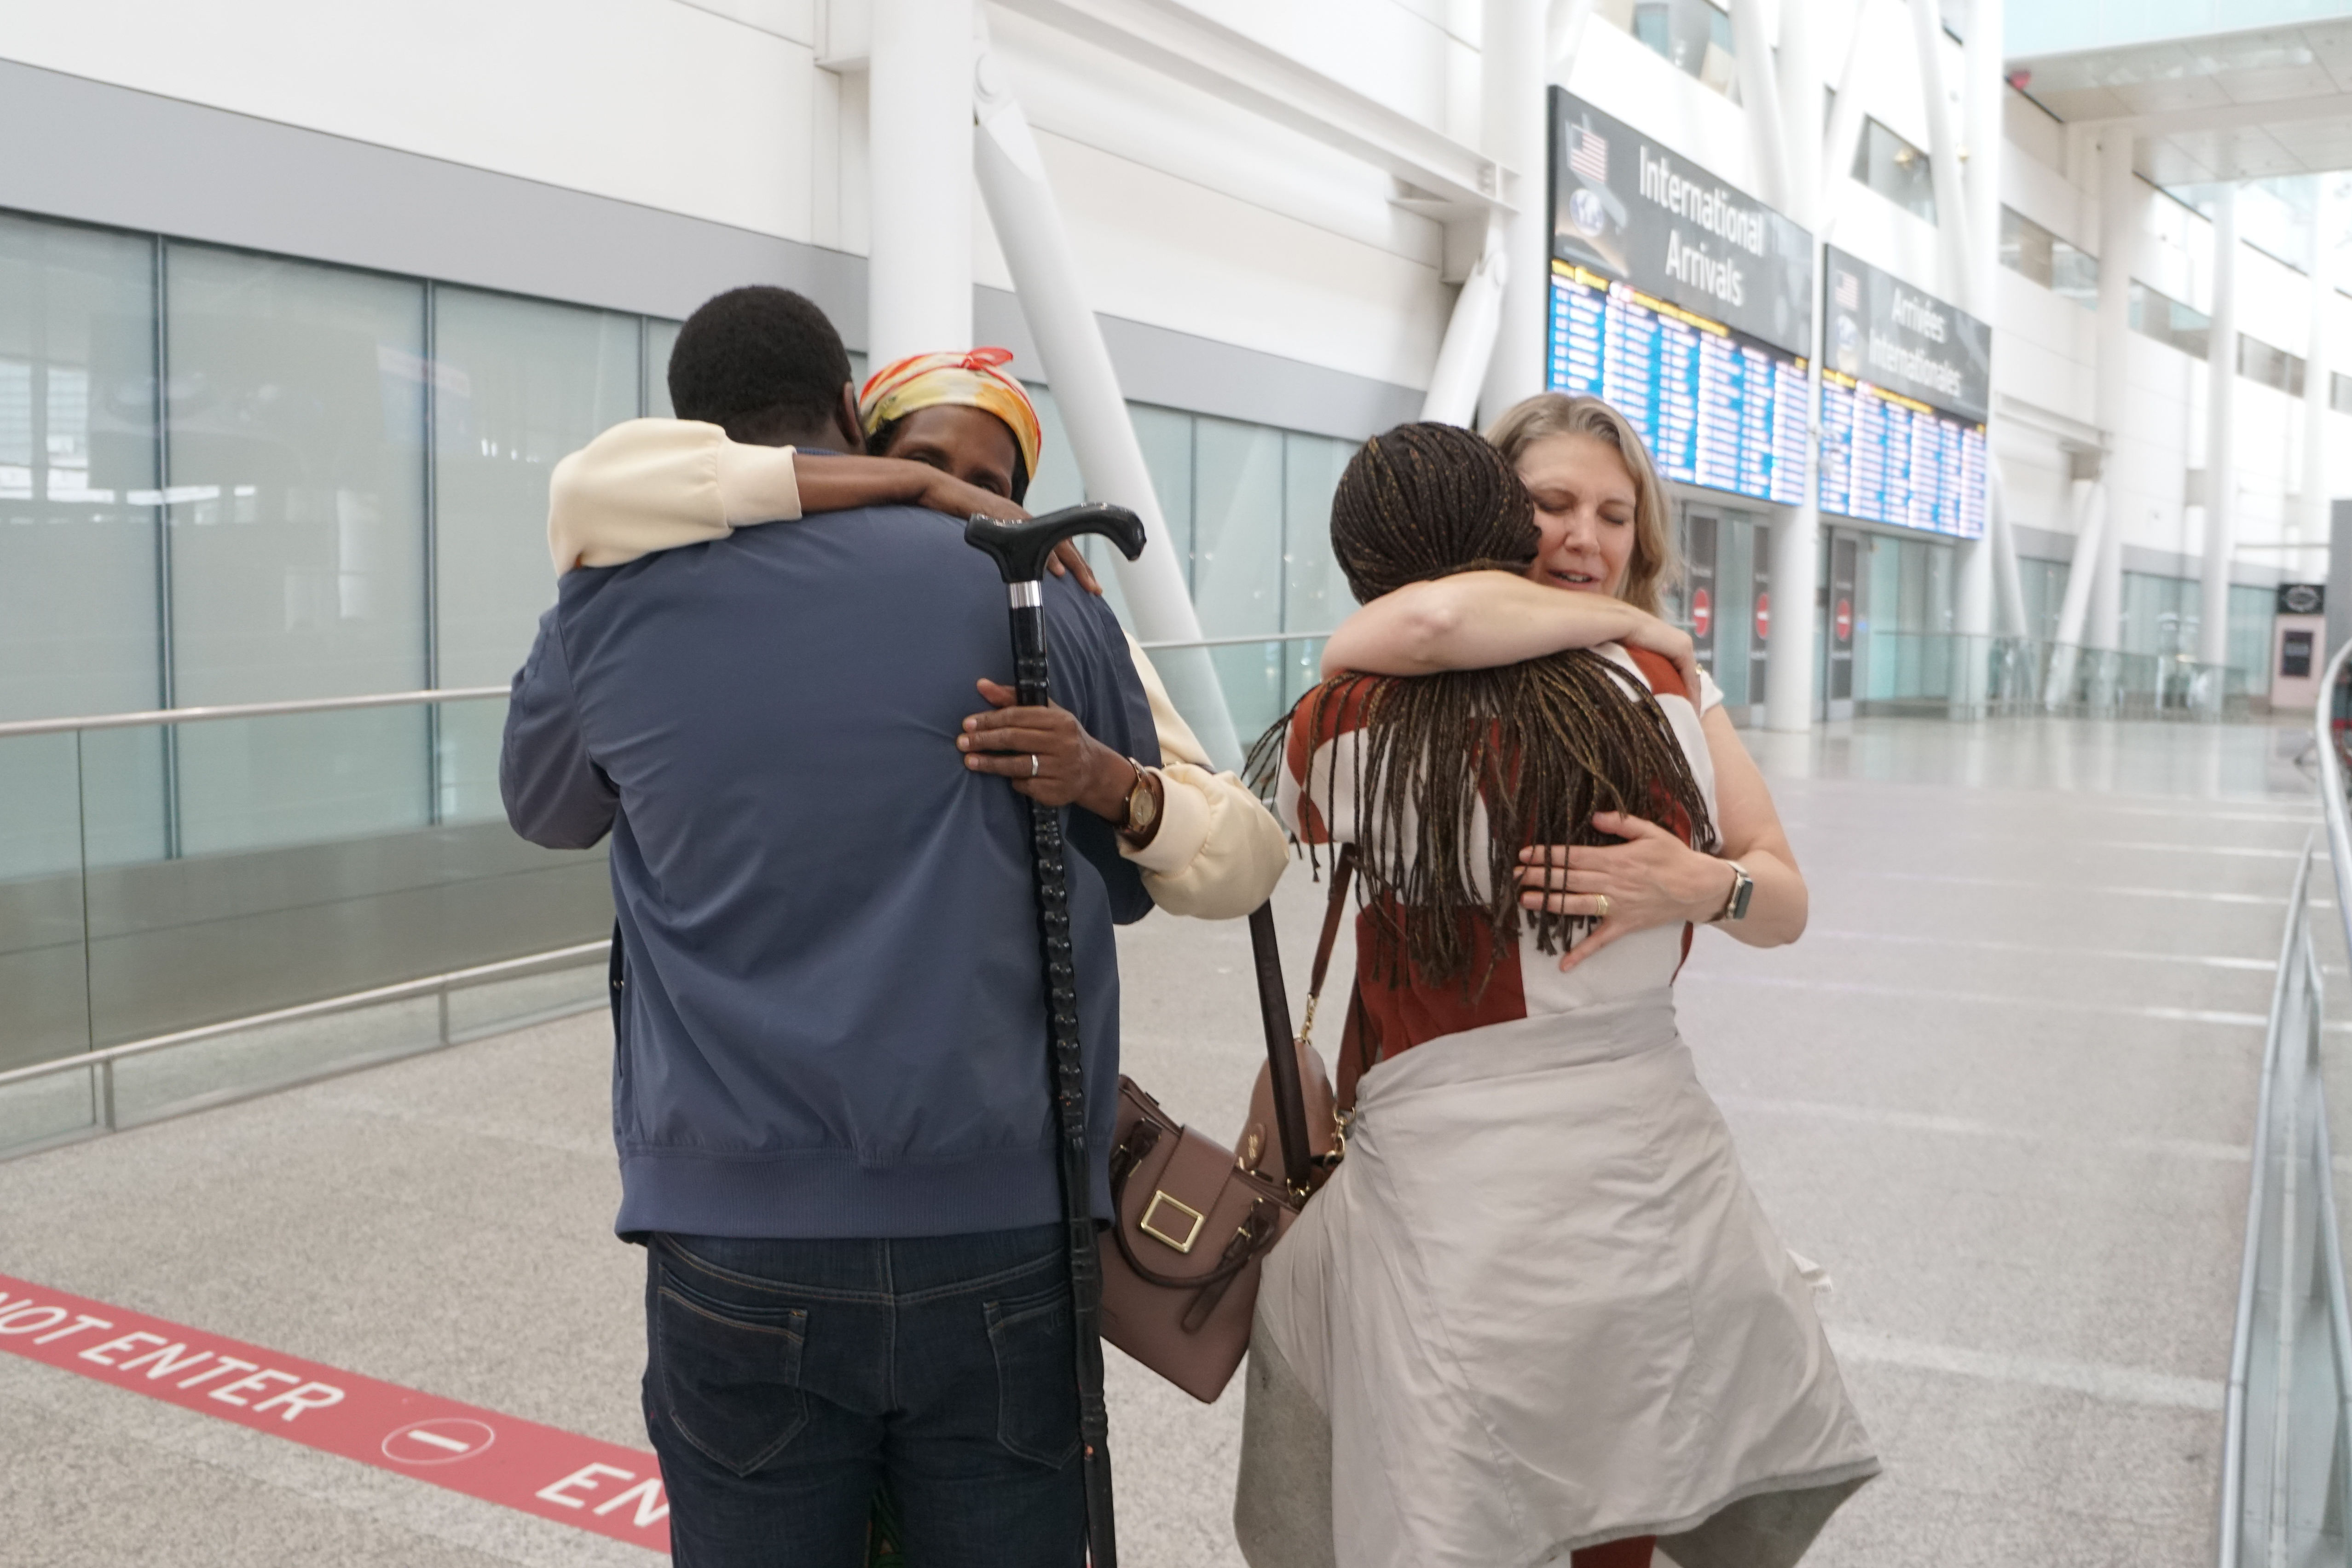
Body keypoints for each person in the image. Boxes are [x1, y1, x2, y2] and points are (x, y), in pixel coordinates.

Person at [500, 285, 1158, 1566]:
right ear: (855, 407)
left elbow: (547, 810)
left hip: (736, 1222)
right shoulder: (1036, 585)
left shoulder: (612, 599)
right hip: (1006, 1216)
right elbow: (1129, 867)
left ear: (700, 445)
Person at [1233, 419, 1877, 1568]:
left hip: (1453, 1192)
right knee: (1627, 1471)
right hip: (1644, 1177)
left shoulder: (1343, 715)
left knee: (1452, 1493)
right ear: (1494, 511)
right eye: (1551, 507)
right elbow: (1441, 626)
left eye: (1615, 517)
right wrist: (1639, 630)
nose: (1584, 537)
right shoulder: (1661, 684)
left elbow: (1779, 898)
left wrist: (1703, 884)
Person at [542, 344, 1289, 919]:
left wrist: (1107, 779)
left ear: (1017, 507)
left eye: (986, 486)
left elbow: (1252, 855)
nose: (955, 501)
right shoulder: (746, 579)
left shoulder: (1051, 609)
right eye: (926, 464)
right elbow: (591, 490)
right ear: (863, 456)